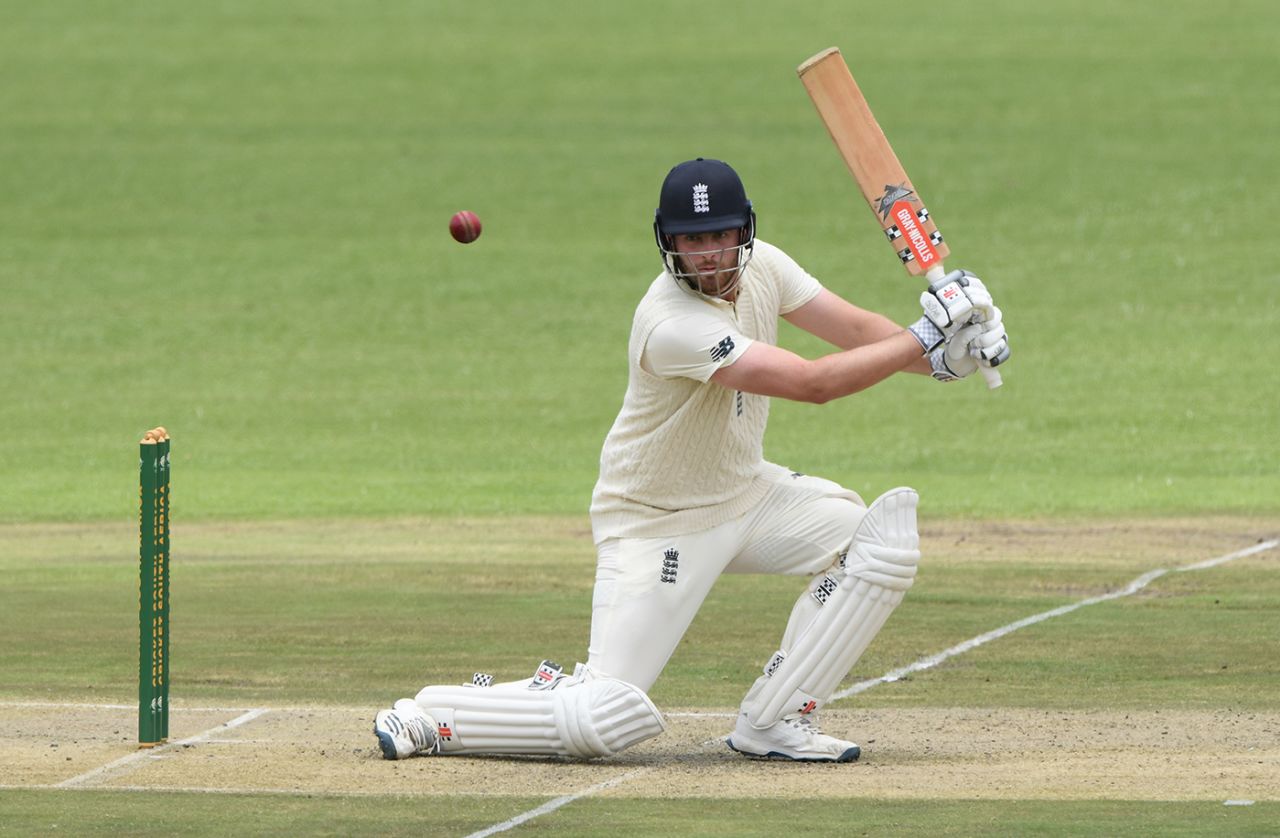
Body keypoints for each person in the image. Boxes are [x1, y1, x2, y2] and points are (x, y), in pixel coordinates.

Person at [373, 158, 1009, 763]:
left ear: (744, 231)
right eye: (691, 240)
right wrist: (925, 336)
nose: (708, 254)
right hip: (658, 522)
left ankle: (775, 720)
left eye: (721, 236)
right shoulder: (670, 322)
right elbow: (813, 383)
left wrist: (948, 357)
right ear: (668, 243)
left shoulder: (767, 266)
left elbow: (859, 333)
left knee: (877, 543)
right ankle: (435, 715)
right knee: (605, 716)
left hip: (745, 496)